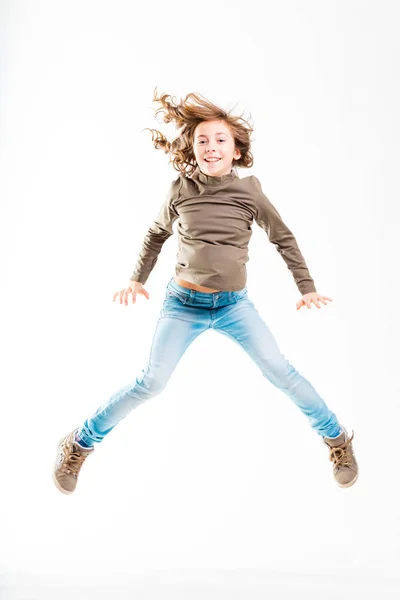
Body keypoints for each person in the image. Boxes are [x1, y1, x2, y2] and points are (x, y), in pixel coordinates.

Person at [53, 89, 358, 495]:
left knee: (280, 371)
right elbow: (155, 234)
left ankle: (337, 440)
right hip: (183, 304)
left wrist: (306, 288)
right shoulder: (179, 190)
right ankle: (79, 443)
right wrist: (136, 279)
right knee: (152, 383)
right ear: (191, 149)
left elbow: (283, 238)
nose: (211, 147)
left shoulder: (249, 191)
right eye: (202, 140)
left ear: (236, 151)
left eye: (220, 141)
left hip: (234, 306)